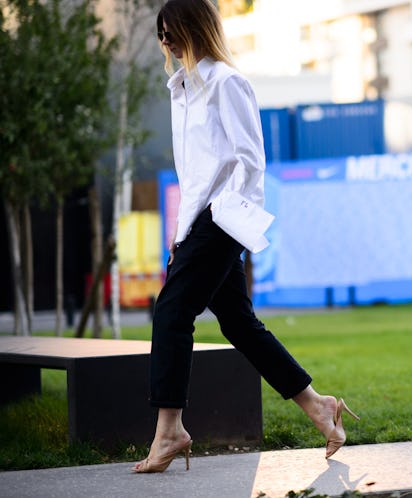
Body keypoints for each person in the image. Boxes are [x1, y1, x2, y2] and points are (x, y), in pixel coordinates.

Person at [132, 0, 358, 473]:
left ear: (196, 28)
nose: (166, 41)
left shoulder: (226, 82)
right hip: (200, 220)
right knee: (238, 323)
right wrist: (181, 231)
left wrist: (224, 220)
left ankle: (170, 431)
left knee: (172, 312)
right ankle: (320, 407)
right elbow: (193, 173)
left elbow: (250, 160)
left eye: (172, 31)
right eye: (161, 33)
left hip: (224, 218)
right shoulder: (183, 90)